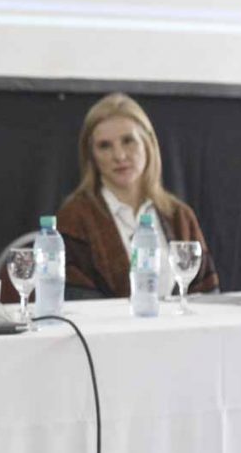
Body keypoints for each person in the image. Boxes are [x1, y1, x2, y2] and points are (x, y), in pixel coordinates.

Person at [57, 92, 219, 299]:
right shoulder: (75, 217)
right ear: (91, 156)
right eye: (105, 146)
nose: (119, 155)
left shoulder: (179, 216)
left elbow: (208, 296)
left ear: (148, 144)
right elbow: (73, 299)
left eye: (128, 141)